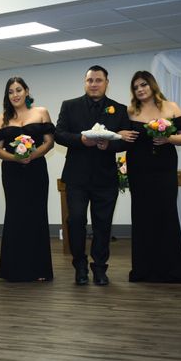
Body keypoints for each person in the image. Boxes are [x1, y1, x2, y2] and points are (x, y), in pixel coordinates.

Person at [55, 65, 132, 286]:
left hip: (105, 178)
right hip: (76, 177)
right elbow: (59, 134)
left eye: (99, 80)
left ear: (107, 83)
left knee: (103, 224)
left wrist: (108, 145)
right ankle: (79, 265)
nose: (94, 84)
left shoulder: (119, 109)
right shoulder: (70, 106)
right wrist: (81, 140)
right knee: (76, 220)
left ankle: (99, 268)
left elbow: (125, 142)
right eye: (90, 80)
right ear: (85, 82)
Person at [123, 71, 181, 283]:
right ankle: (143, 270)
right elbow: (121, 135)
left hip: (164, 167)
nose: (140, 89)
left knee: (166, 213)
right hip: (138, 168)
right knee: (143, 215)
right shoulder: (130, 111)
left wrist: (169, 138)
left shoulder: (170, 107)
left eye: (143, 84)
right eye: (136, 87)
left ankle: (172, 271)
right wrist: (121, 135)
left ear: (152, 85)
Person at [0, 77, 54, 282]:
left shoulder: (41, 112)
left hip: (36, 169)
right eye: (11, 92)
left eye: (19, 90)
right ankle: (14, 269)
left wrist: (32, 156)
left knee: (36, 215)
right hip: (12, 172)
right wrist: (16, 158)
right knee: (15, 216)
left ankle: (39, 269)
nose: (15, 95)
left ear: (27, 91)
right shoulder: (2, 118)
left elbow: (49, 142)